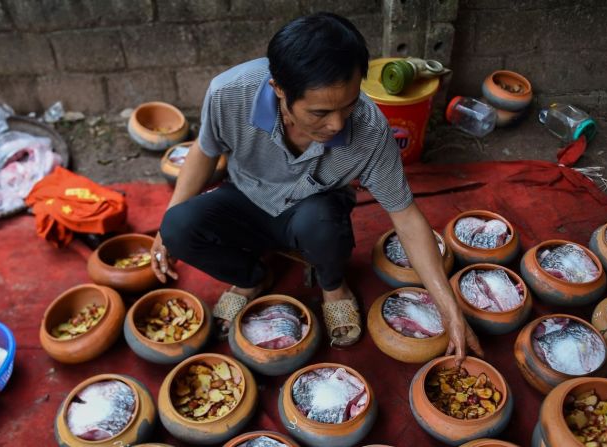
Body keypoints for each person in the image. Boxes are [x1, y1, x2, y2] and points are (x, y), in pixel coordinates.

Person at [150, 12, 482, 361]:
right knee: (176, 227)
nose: (337, 124)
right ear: (278, 89)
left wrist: (449, 308)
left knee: (320, 223)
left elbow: (407, 218)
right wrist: (168, 220)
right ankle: (251, 278)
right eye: (319, 113)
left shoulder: (370, 130)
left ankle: (333, 286)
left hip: (313, 211)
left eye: (349, 104)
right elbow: (205, 151)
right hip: (246, 196)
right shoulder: (228, 94)